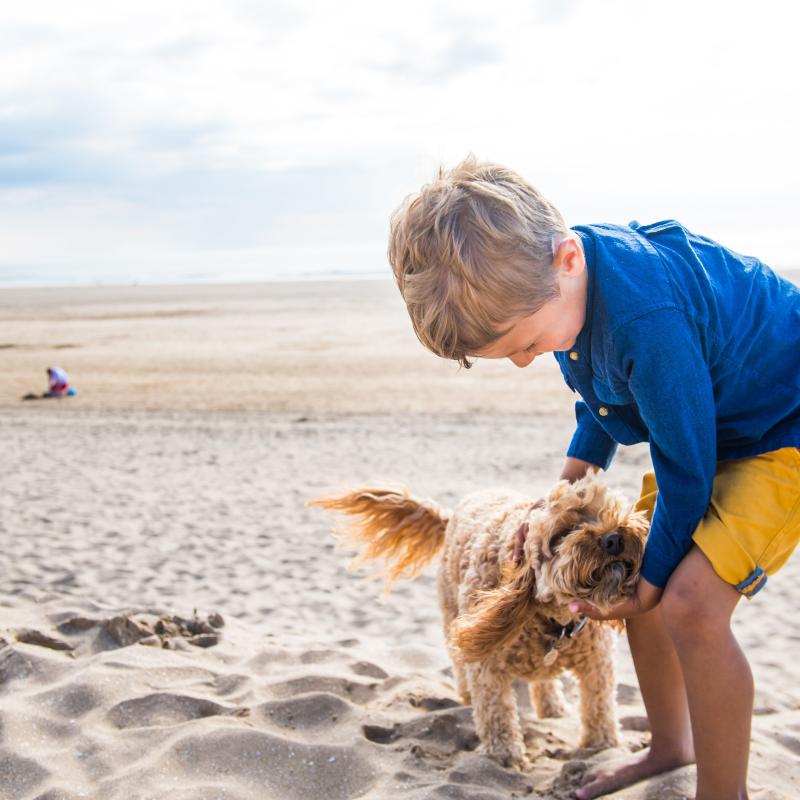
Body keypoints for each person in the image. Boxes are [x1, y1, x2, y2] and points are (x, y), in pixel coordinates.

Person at [386, 154, 800, 800]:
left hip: (782, 423)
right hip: (710, 425)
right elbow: (600, 398)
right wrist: (566, 482)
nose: (525, 362)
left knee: (686, 603)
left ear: (568, 260)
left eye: (524, 344)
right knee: (639, 574)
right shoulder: (570, 291)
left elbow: (686, 474)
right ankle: (670, 745)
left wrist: (654, 584)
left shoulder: (644, 319)